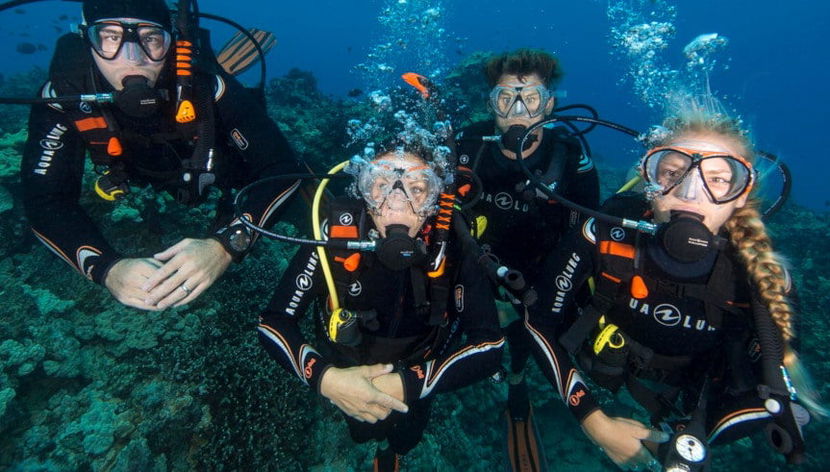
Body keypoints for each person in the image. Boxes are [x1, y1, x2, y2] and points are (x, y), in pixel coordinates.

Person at [526, 103, 812, 470]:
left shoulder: (761, 276)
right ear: (650, 180)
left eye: (719, 179)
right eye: (673, 172)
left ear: (741, 194)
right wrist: (593, 420)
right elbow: (539, 320)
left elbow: (770, 386)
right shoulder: (604, 233)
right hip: (600, 372)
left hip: (685, 392)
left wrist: (690, 436)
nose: (691, 193)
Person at [19, 0, 301, 311]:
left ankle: (224, 68)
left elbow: (281, 167)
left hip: (210, 165)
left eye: (151, 38)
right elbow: (45, 200)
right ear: (87, 39)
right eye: (111, 37)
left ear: (171, 41)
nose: (133, 57)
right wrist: (107, 269)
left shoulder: (206, 85)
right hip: (135, 169)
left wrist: (227, 244)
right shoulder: (65, 95)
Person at [257, 144, 504, 470]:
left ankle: (394, 452)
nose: (397, 203)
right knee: (361, 431)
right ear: (363, 190)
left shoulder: (455, 245)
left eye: (417, 188)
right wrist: (326, 379)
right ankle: (374, 442)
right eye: (381, 184)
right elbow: (274, 320)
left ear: (434, 199)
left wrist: (408, 384)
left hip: (418, 371)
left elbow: (490, 346)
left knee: (408, 435)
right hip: (346, 366)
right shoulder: (337, 235)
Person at [453, 48, 599, 470]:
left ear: (549, 104)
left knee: (532, 332)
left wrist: (544, 296)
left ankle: (517, 381)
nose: (517, 109)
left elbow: (587, 233)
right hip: (476, 266)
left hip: (543, 277)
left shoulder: (570, 156)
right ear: (490, 105)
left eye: (530, 98)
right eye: (505, 99)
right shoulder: (468, 146)